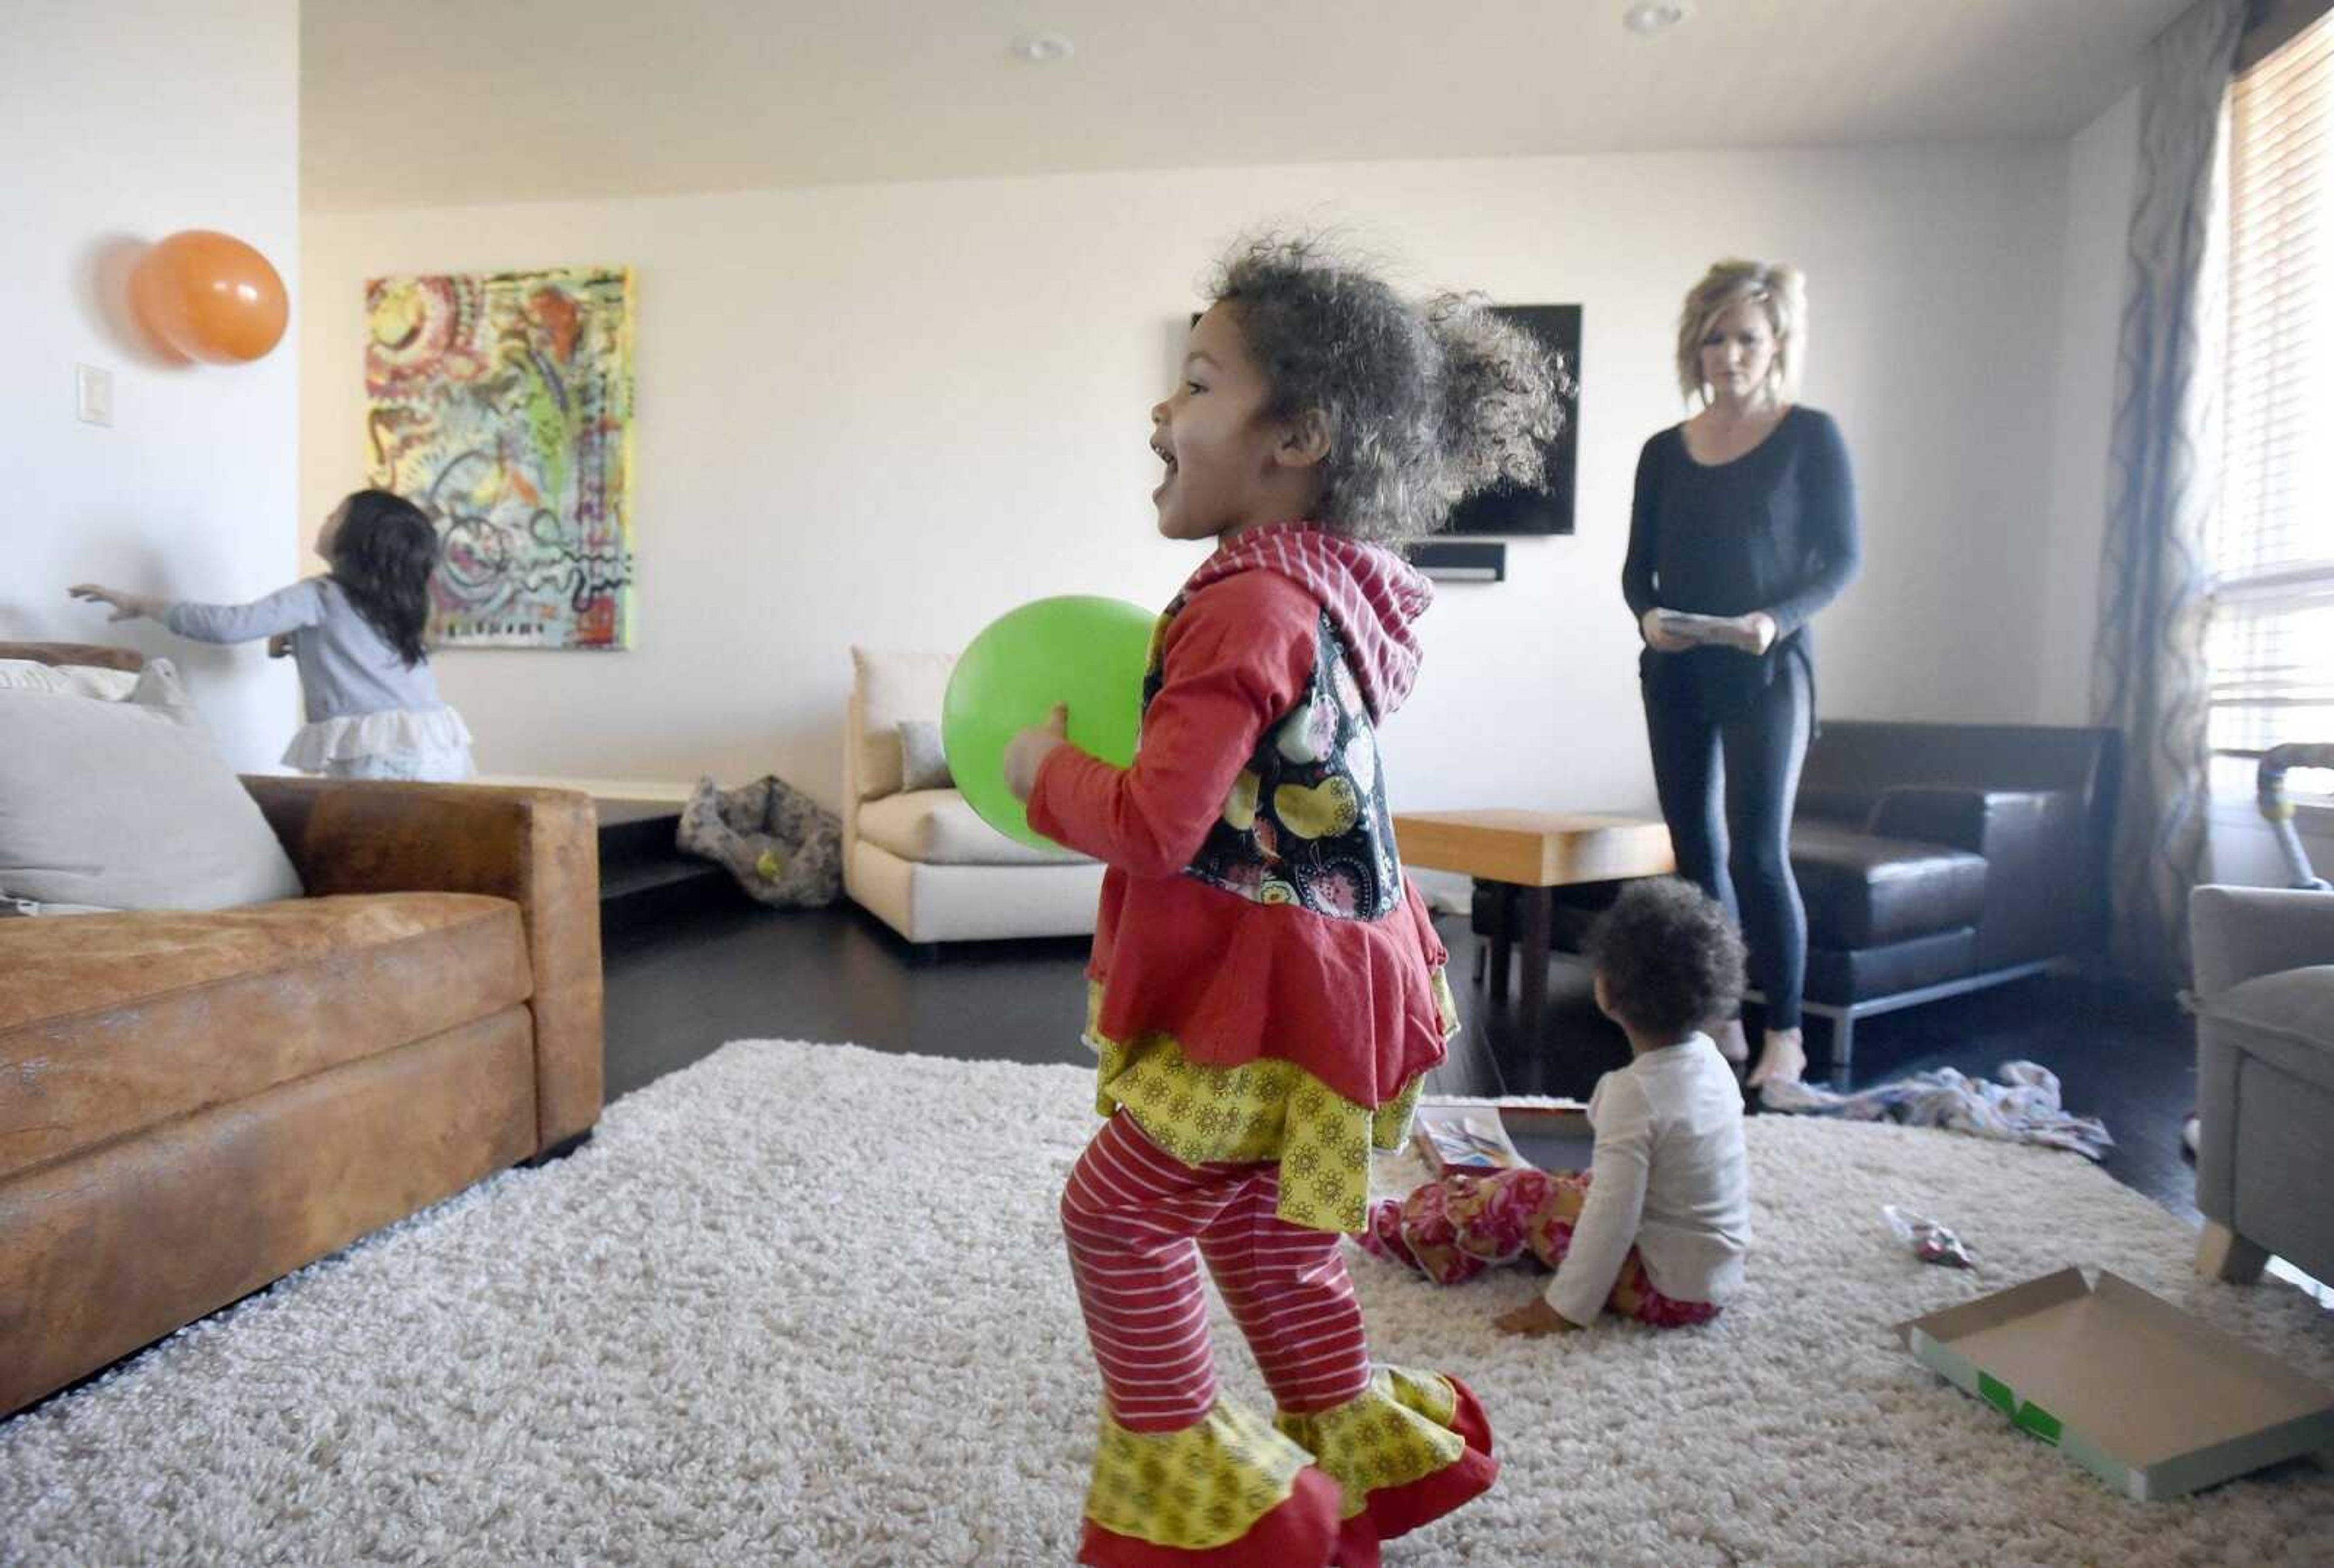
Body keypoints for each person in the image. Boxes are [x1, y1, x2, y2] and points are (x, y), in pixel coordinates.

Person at [1000, 233, 1560, 1568]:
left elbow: (1154, 822)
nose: (1159, 409)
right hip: (1356, 969)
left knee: (1118, 1219)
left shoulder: (1247, 602)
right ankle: (1354, 1457)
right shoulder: (1326, 586)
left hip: (1268, 997)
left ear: (1296, 436)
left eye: (1196, 382)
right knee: (1264, 1230)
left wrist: (1041, 768)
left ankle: (1202, 1503)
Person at [1623, 260, 1860, 1088]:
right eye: (1713, 339)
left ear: (1777, 343)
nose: (1729, 354)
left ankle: (1786, 1035)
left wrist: (1775, 619)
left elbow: (1843, 561)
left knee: (1760, 853)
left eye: (1746, 338)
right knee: (1696, 850)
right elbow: (1635, 573)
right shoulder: (1662, 452)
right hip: (1678, 668)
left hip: (1768, 670)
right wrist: (1647, 620)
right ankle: (1717, 1019)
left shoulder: (1811, 437)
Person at [1359, 878, 1752, 1336]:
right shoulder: (1711, 1061)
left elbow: (1613, 1217)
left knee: (1524, 1193)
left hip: (1662, 1289)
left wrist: (1563, 1308)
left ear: (1607, 990)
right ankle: (1464, 1219)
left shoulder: (1635, 1094)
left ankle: (1412, 1235)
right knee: (1566, 1186)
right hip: (1712, 1280)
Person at [71, 488, 474, 782]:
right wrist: (299, 639)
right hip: (436, 749)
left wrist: (140, 603)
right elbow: (359, 655)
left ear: (358, 539)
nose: (325, 521)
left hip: (378, 755)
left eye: (335, 516)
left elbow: (229, 625)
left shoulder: (318, 595)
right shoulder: (393, 604)